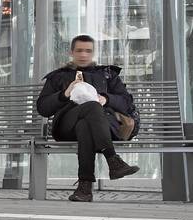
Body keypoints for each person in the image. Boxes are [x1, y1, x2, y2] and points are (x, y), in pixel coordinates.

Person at [35, 34, 138, 202]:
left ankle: (84, 188)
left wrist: (107, 99)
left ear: (93, 53)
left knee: (85, 125)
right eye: (79, 50)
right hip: (66, 126)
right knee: (91, 107)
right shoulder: (59, 76)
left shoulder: (107, 75)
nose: (83, 55)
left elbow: (126, 102)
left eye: (88, 51)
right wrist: (64, 94)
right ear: (71, 52)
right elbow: (43, 108)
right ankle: (113, 160)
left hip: (102, 126)